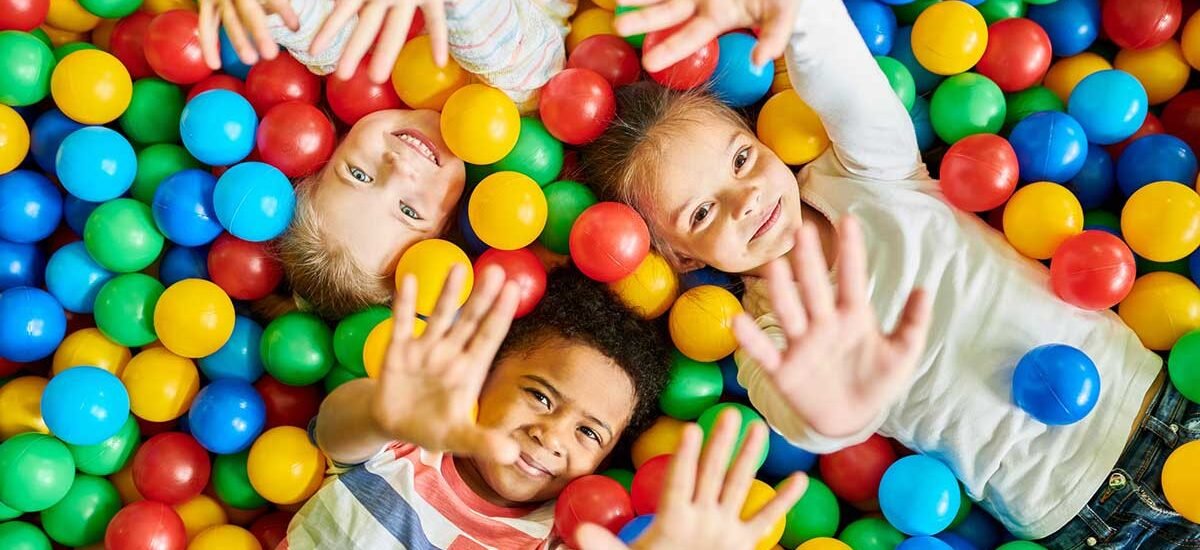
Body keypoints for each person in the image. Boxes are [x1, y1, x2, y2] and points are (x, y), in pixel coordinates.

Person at [582, 0, 1196, 546]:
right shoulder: (763, 336)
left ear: (758, 137)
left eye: (741, 160)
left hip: (1162, 400)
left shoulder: (866, 174)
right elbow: (805, 416)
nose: (745, 199)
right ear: (683, 257)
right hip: (1081, 515)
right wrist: (837, 410)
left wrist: (791, 11)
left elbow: (842, 74)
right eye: (702, 212)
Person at [284, 264, 804, 548]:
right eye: (539, 396)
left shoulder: (556, 534)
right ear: (483, 375)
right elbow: (335, 431)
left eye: (589, 433)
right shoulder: (408, 443)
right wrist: (383, 412)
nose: (551, 435)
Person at [196, 0, 572, 318]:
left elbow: (310, 28)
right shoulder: (516, 101)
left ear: (332, 145)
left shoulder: (357, 57)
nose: (398, 170)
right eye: (408, 211)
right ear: (447, 228)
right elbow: (518, 52)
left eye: (358, 174)